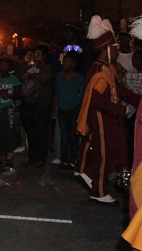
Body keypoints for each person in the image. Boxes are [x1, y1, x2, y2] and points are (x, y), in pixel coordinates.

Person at [77, 16, 140, 204]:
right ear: (106, 50)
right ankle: (98, 190)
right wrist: (122, 111)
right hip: (101, 118)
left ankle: (88, 175)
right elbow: (98, 101)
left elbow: (119, 90)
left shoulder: (107, 68)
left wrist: (139, 101)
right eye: (113, 47)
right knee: (105, 154)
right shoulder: (99, 70)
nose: (116, 50)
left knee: (114, 151)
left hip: (108, 118)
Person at [21, 45, 55, 169]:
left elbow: (45, 78)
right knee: (30, 132)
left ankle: (41, 159)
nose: (36, 56)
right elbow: (20, 74)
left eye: (39, 53)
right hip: (29, 105)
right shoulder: (31, 67)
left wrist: (33, 72)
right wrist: (26, 61)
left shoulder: (48, 68)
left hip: (42, 104)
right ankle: (32, 158)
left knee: (40, 132)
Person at [53, 51, 85, 170]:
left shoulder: (79, 78)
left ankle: (72, 159)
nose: (64, 64)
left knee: (73, 136)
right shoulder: (60, 76)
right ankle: (64, 160)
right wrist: (54, 109)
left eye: (66, 62)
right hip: (62, 108)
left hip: (74, 109)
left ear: (73, 64)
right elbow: (57, 93)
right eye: (63, 62)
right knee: (64, 136)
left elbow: (81, 95)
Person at [0, 57, 20, 167]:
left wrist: (9, 95)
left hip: (8, 108)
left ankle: (9, 155)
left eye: (5, 65)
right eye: (1, 65)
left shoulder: (14, 79)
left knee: (9, 131)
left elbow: (18, 94)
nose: (3, 67)